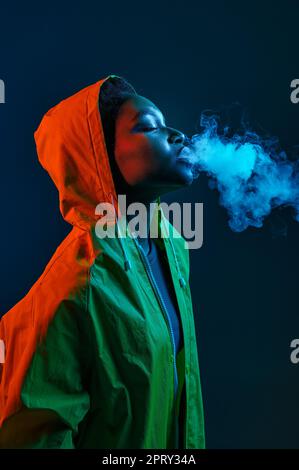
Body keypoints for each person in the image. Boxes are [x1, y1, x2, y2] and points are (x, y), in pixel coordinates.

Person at [0, 74, 205, 449]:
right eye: (148, 128)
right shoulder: (76, 285)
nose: (176, 134)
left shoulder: (172, 249)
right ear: (98, 158)